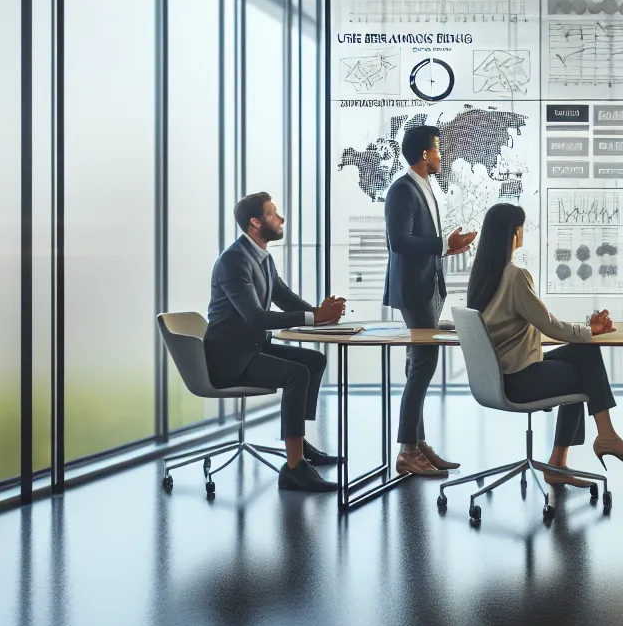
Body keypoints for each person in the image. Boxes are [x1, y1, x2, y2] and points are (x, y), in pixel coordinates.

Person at [466, 203, 623, 481]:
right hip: (518, 380)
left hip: (499, 375)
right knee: (584, 369)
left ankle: (566, 458)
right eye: (521, 228)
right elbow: (549, 325)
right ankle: (601, 439)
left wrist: (586, 332)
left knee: (583, 355)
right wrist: (590, 331)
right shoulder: (514, 276)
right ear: (515, 233)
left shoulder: (482, 276)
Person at [203, 192, 348, 493]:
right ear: (255, 222)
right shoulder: (234, 261)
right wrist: (314, 317)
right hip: (230, 358)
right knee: (297, 373)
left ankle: (299, 443)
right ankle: (293, 468)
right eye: (273, 214)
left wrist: (320, 315)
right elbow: (255, 317)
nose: (281, 219)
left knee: (314, 361)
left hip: (251, 348)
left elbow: (282, 297)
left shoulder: (262, 258)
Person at [384, 124, 476, 479]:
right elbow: (400, 243)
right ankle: (407, 450)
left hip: (429, 285)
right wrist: (443, 245)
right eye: (438, 149)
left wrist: (447, 245)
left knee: (418, 366)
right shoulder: (402, 190)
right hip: (414, 290)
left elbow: (423, 241)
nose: (441, 155)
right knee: (423, 366)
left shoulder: (424, 187)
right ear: (424, 154)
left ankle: (417, 443)